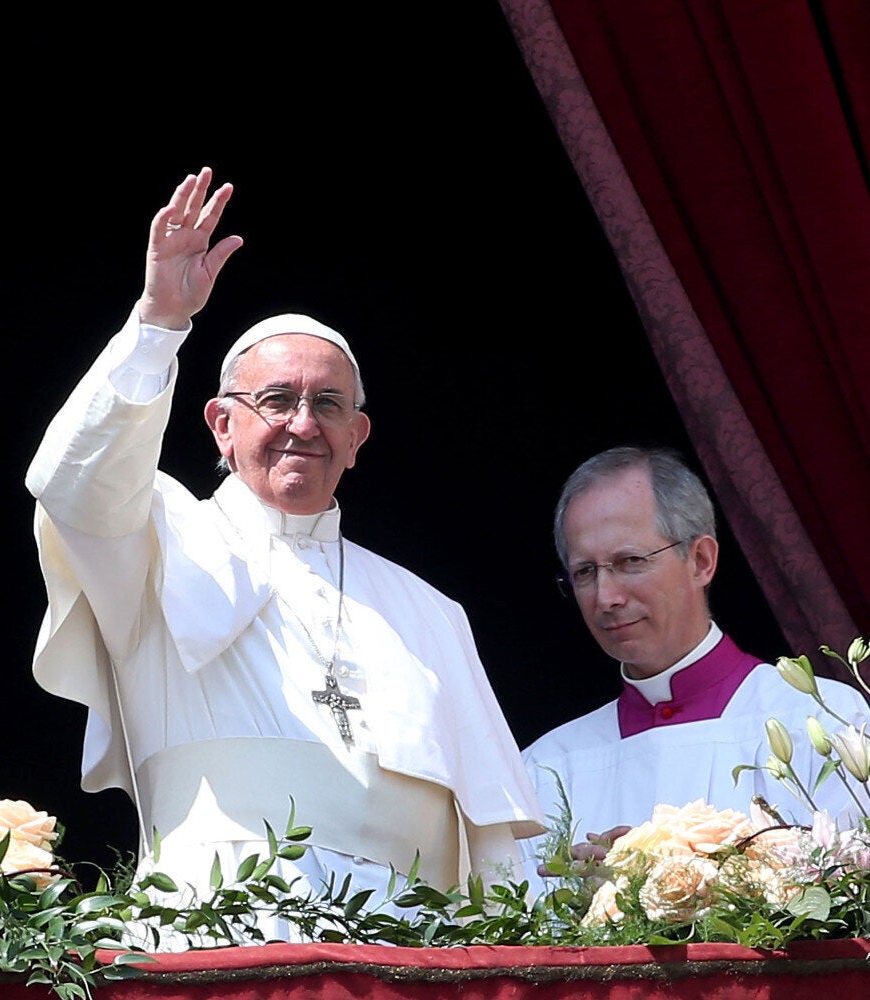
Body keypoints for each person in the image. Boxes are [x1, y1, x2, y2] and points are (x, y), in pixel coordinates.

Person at [26, 168, 543, 939]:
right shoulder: (157, 545)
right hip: (213, 938)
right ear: (220, 424)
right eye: (276, 400)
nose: (303, 423)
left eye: (328, 404)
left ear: (357, 438)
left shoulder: (432, 612)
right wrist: (159, 321)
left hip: (404, 956)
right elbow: (73, 482)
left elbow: (492, 842)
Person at [520, 446, 870, 872]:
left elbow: (866, 895)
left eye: (630, 562)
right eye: (585, 572)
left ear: (700, 561)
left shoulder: (819, 719)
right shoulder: (547, 767)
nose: (606, 597)